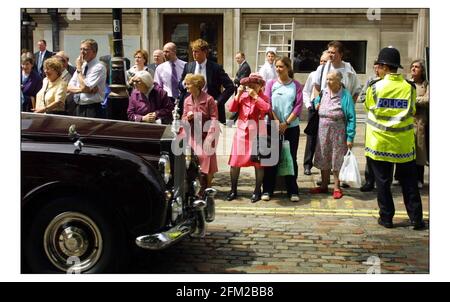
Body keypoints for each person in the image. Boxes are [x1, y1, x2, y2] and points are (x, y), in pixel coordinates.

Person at [364, 47, 425, 230]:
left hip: (380, 142)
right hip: (403, 144)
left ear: (383, 66)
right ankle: (416, 219)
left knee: (383, 182)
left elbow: (369, 107)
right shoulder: (409, 87)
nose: (377, 69)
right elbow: (413, 110)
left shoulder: (374, 87)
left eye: (378, 66)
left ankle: (387, 218)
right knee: (409, 182)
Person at [262, 57, 303, 202]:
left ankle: (292, 190)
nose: (278, 69)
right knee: (271, 158)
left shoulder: (296, 85)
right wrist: (277, 121)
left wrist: (286, 123)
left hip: (291, 127)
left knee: (291, 157)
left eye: (281, 67)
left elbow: (298, 106)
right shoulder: (270, 84)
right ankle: (267, 189)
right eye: (277, 67)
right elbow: (268, 103)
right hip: (273, 126)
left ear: (288, 68)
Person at [309, 70, 356, 199]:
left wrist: (350, 137)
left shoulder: (345, 95)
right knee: (323, 155)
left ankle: (336, 187)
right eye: (327, 79)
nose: (328, 82)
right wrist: (316, 103)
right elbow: (316, 100)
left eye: (331, 79)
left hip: (339, 131)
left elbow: (351, 117)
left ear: (339, 81)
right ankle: (324, 185)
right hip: (323, 130)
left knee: (337, 158)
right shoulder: (324, 91)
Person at [227, 73, 271, 203]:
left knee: (258, 164)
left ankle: (257, 191)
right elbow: (231, 108)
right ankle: (233, 190)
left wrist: (256, 97)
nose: (250, 87)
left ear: (260, 86)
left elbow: (267, 108)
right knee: (235, 162)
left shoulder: (264, 97)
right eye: (248, 85)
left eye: (254, 84)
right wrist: (238, 94)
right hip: (241, 132)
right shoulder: (243, 96)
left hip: (257, 133)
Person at [178, 39, 234, 124]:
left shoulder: (216, 68)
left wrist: (217, 101)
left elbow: (230, 87)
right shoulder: (188, 66)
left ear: (205, 52)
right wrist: (185, 83)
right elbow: (180, 86)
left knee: (210, 135)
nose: (194, 54)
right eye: (193, 51)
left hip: (210, 109)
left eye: (196, 51)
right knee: (193, 135)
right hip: (192, 111)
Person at [182, 73, 220, 197]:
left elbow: (214, 119)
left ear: (197, 85)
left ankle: (208, 187)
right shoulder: (187, 100)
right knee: (192, 160)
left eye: (188, 84)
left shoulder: (209, 99)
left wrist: (210, 137)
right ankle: (195, 187)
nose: (186, 86)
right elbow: (183, 118)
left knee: (207, 159)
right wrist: (188, 118)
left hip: (206, 134)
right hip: (193, 134)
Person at [302, 50, 329, 176]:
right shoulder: (314, 74)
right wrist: (308, 105)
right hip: (314, 108)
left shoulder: (332, 74)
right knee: (311, 137)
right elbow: (306, 91)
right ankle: (307, 164)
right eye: (321, 61)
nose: (323, 63)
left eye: (325, 61)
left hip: (328, 109)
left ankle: (326, 167)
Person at [67, 39, 107, 118]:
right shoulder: (83, 66)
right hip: (78, 107)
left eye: (85, 49)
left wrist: (78, 69)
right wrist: (85, 90)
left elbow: (85, 87)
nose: (82, 52)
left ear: (94, 52)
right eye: (81, 49)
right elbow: (69, 87)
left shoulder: (98, 67)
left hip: (92, 108)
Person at [358, 62, 381, 192]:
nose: (377, 70)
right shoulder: (371, 81)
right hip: (372, 122)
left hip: (387, 125)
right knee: (370, 152)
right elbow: (362, 96)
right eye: (375, 67)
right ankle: (369, 181)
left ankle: (383, 182)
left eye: (379, 67)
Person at [410, 59, 429, 189]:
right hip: (408, 121)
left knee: (420, 152)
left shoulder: (426, 84)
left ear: (422, 70)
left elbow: (427, 100)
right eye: (412, 66)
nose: (413, 69)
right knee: (407, 151)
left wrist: (413, 100)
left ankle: (419, 179)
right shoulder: (407, 83)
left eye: (417, 67)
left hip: (420, 122)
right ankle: (402, 178)